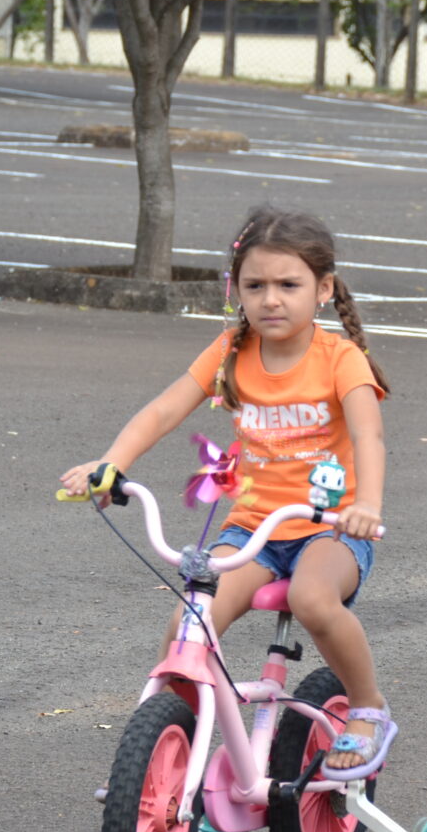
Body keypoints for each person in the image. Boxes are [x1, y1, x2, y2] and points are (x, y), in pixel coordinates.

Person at [60, 206, 397, 776]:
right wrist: (112, 463)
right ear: (235, 290)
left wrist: (367, 506)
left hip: (331, 528)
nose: (271, 299)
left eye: (288, 285)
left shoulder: (340, 359)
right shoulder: (230, 351)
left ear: (323, 289)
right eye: (255, 285)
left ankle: (368, 708)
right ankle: (172, 744)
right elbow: (164, 409)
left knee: (312, 599)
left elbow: (370, 435)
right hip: (252, 531)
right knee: (190, 620)